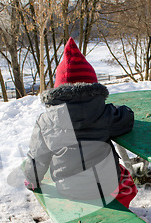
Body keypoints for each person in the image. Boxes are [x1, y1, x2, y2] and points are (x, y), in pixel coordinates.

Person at [23, 38, 137, 208]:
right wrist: (121, 110)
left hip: (68, 188)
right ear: (93, 87)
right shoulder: (104, 113)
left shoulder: (45, 121)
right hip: (106, 185)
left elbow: (37, 157)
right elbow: (126, 120)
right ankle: (119, 211)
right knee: (128, 182)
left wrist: (32, 180)